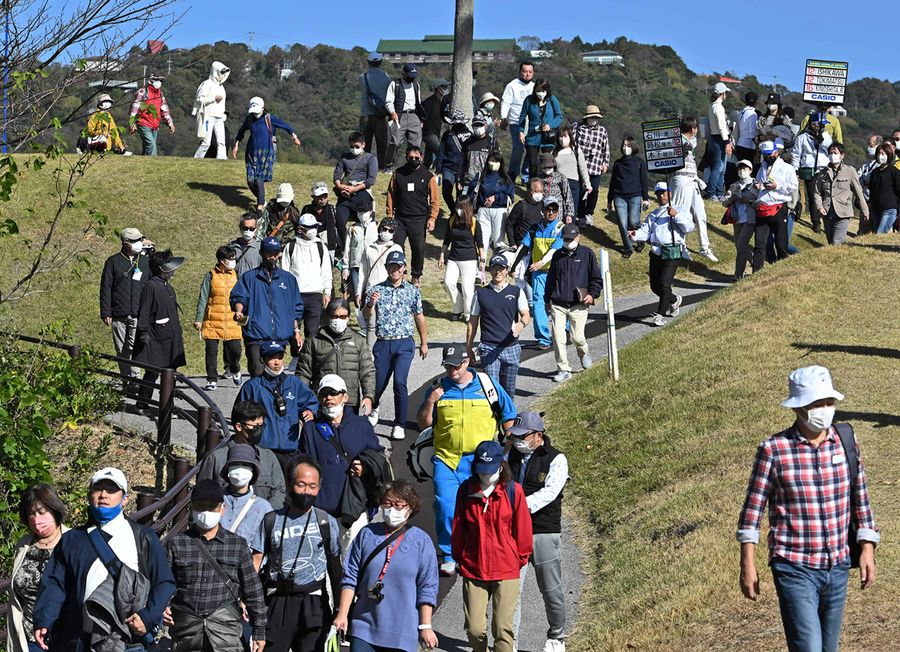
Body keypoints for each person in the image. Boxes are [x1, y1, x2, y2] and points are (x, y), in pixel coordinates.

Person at [737, 366, 879, 652]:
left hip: (837, 566)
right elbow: (752, 511)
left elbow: (860, 497)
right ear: (799, 408)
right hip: (794, 567)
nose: (825, 410)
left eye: (829, 403)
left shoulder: (845, 442)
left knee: (829, 648)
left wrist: (867, 547)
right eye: (817, 404)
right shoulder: (774, 450)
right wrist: (747, 564)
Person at [33, 468, 176, 651]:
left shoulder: (143, 537)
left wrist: (147, 618)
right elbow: (54, 583)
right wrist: (45, 620)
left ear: (124, 499)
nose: (103, 495)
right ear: (89, 496)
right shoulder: (72, 539)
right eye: (98, 489)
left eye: (111, 490)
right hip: (79, 639)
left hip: (127, 639)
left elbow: (164, 582)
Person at [417, 347, 517, 575]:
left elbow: (508, 413)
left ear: (467, 361)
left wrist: (510, 447)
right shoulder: (438, 389)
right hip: (446, 459)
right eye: (448, 366)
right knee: (445, 506)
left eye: (456, 365)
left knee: (480, 509)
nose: (452, 370)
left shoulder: (487, 385)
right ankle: (450, 554)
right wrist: (431, 402)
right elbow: (424, 424)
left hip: (481, 460)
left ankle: (475, 551)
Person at [332, 481, 440, 652]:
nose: (392, 509)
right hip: (364, 627)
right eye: (388, 503)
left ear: (410, 507)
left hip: (403, 631)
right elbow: (350, 577)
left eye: (398, 505)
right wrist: (342, 614)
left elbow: (427, 587)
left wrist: (425, 625)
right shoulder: (367, 534)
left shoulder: (422, 541)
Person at [250, 455, 342, 652]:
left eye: (312, 486)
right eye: (301, 484)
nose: (307, 491)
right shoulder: (271, 520)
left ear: (319, 488)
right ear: (290, 484)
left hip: (314, 602)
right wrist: (247, 599)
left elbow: (335, 567)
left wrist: (341, 610)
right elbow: (256, 562)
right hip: (278, 600)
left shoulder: (326, 522)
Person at [163, 479, 267, 652]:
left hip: (226, 633)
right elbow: (162, 583)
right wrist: (162, 607)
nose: (205, 511)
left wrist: (259, 631)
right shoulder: (176, 543)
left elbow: (253, 589)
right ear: (192, 508)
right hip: (186, 633)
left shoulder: (237, 545)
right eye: (200, 505)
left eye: (211, 506)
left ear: (222, 509)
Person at [451, 440, 532, 652]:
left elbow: (523, 529)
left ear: (501, 465)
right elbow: (459, 526)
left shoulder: (514, 492)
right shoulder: (465, 491)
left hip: (506, 568)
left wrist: (520, 558)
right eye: (481, 469)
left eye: (490, 469)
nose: (486, 474)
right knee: (474, 628)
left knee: (502, 629)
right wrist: (459, 557)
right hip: (474, 567)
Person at [300, 374, 386, 551]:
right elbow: (301, 464)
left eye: (334, 393)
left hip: (355, 508)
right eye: (324, 394)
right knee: (324, 568)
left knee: (352, 565)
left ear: (345, 397)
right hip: (321, 511)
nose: (329, 398)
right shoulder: (310, 429)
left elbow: (379, 458)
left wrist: (366, 467)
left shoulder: (362, 425)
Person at [507, 412, 570, 652]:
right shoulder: (510, 454)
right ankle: (508, 641)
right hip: (515, 531)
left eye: (524, 437)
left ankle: (557, 636)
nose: (518, 441)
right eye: (515, 437)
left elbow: (549, 493)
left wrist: (517, 507)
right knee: (512, 590)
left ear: (539, 436)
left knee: (550, 588)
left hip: (544, 530)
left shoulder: (556, 459)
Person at [365, 251, 428, 441]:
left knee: (400, 383)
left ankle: (399, 424)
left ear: (404, 269)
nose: (394, 270)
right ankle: (373, 408)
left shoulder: (412, 291)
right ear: (386, 268)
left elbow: (419, 316)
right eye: (391, 266)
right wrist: (370, 304)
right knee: (378, 384)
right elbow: (367, 316)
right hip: (383, 343)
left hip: (404, 342)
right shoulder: (376, 290)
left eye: (397, 266)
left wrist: (424, 342)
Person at [237, 341, 319, 473]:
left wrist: (310, 411)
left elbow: (311, 401)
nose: (277, 362)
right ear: (263, 359)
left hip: (289, 451)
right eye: (272, 358)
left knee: (287, 490)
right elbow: (239, 415)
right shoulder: (252, 387)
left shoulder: (294, 383)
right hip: (263, 451)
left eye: (280, 357)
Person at [230, 237, 304, 377]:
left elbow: (296, 307)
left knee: (275, 374)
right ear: (261, 253)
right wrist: (239, 311)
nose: (272, 256)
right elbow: (239, 297)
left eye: (275, 253)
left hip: (280, 335)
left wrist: (296, 330)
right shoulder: (249, 277)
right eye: (269, 253)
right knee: (257, 372)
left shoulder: (288, 279)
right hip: (255, 334)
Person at [8, 485, 68, 652]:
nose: (36, 519)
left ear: (55, 510)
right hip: (28, 639)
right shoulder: (24, 545)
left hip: (65, 637)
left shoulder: (73, 543)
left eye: (42, 512)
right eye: (31, 514)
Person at [198, 399, 287, 509]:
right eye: (255, 427)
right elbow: (201, 496)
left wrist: (263, 512)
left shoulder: (268, 457)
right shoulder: (215, 458)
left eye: (261, 426)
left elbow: (279, 491)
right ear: (239, 427)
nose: (259, 431)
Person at [296, 297, 376, 416]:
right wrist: (304, 402)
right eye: (335, 316)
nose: (338, 320)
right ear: (328, 316)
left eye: (343, 316)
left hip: (349, 402)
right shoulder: (314, 341)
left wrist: (368, 396)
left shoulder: (359, 341)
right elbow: (303, 374)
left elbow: (367, 372)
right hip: (323, 401)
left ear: (348, 317)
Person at [466, 254, 531, 399]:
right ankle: (494, 421)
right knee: (492, 391)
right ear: (490, 270)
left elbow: (526, 314)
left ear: (507, 270)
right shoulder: (481, 293)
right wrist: (468, 347)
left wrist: (521, 324)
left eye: (501, 268)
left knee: (508, 391)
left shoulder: (516, 292)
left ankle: (509, 420)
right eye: (494, 268)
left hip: (511, 347)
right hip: (489, 348)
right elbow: (473, 321)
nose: (498, 272)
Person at [630, 182, 694, 327]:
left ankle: (660, 314)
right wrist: (635, 235)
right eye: (659, 193)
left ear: (670, 194)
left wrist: (676, 216)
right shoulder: (654, 214)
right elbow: (645, 231)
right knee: (655, 286)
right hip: (656, 251)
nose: (661, 196)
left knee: (665, 284)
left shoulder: (680, 209)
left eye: (664, 193)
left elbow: (689, 228)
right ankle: (673, 300)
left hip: (672, 250)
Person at [544, 224, 602, 382]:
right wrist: (546, 299)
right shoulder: (557, 255)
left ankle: (584, 353)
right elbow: (550, 280)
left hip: (579, 304)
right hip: (558, 303)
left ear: (578, 237)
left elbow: (596, 279)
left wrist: (592, 295)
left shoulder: (587, 254)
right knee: (557, 337)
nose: (568, 241)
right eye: (565, 239)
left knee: (576, 338)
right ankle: (563, 368)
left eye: (571, 238)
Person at [132, 250, 186, 409]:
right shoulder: (150, 286)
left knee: (171, 375)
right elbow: (144, 312)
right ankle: (142, 403)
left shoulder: (168, 287)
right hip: (156, 338)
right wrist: (143, 333)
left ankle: (168, 406)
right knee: (152, 373)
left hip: (171, 337)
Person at [511, 196, 564, 349]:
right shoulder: (534, 228)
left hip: (556, 271)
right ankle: (543, 338)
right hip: (539, 272)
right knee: (538, 303)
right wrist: (513, 266)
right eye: (549, 209)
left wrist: (540, 263)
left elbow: (554, 251)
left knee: (559, 301)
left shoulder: (560, 228)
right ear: (543, 210)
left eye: (554, 209)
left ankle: (565, 328)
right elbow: (524, 248)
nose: (551, 212)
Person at [232, 97, 301, 211]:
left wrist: (294, 137)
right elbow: (242, 131)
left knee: (259, 178)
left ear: (262, 108)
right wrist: (237, 144)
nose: (255, 113)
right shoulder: (249, 119)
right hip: (251, 153)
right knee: (250, 181)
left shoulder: (269, 118)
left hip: (265, 153)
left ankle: (260, 205)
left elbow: (285, 126)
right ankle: (262, 200)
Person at [100, 227, 151, 381]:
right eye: (135, 241)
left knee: (134, 347)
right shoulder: (112, 262)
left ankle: (135, 378)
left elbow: (150, 287)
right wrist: (106, 312)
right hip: (118, 313)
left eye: (140, 240)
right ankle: (125, 378)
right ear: (126, 243)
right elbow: (105, 287)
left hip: (138, 312)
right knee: (121, 349)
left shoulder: (145, 262)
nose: (139, 243)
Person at [385, 145, 440, 286]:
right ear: (406, 157)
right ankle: (400, 272)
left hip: (419, 219)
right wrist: (389, 214)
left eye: (416, 158)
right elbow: (391, 194)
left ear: (421, 157)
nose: (414, 160)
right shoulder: (398, 174)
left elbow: (434, 200)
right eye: (411, 158)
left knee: (418, 249)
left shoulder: (428, 176)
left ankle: (416, 276)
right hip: (400, 219)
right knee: (396, 246)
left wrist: (432, 218)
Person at [194, 245, 243, 391]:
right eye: (231, 258)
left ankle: (235, 368)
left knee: (236, 350)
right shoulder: (210, 275)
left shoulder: (237, 275)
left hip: (232, 319)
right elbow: (203, 298)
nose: (233, 261)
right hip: (212, 319)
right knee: (211, 351)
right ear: (222, 260)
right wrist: (199, 318)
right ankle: (212, 379)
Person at [671, 116, 719, 262]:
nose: (697, 130)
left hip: (693, 180)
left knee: (701, 214)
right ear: (692, 128)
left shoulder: (691, 141)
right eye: (696, 127)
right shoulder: (677, 141)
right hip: (681, 179)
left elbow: (692, 144)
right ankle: (680, 246)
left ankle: (704, 247)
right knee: (681, 214)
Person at [281, 213, 332, 338]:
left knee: (312, 331)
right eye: (310, 227)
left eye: (315, 227)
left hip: (315, 295)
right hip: (295, 295)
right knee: (293, 329)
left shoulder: (321, 247)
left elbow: (326, 271)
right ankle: (295, 356)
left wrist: (327, 292)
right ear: (301, 229)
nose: (313, 230)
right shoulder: (291, 246)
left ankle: (310, 357)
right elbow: (285, 272)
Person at [357, 218, 403, 348]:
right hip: (372, 289)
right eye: (384, 229)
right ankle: (369, 354)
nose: (386, 232)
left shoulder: (396, 248)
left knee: (388, 323)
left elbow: (400, 270)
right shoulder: (369, 247)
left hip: (389, 290)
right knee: (371, 325)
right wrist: (359, 291)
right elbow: (363, 271)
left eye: (390, 230)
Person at [812, 142, 869, 245]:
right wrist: (820, 207)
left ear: (842, 155)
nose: (832, 155)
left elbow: (858, 192)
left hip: (843, 213)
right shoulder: (822, 173)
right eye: (830, 153)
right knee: (831, 243)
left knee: (836, 241)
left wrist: (865, 210)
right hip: (827, 212)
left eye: (835, 152)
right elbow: (817, 192)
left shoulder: (850, 171)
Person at [752, 140, 797, 270]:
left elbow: (793, 186)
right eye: (764, 155)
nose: (767, 158)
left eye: (769, 154)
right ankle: (757, 271)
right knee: (760, 244)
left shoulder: (787, 168)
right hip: (763, 207)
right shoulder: (762, 168)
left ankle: (782, 271)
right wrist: (758, 186)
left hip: (779, 206)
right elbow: (759, 185)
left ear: (776, 153)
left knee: (781, 243)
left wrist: (778, 186)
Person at [219, 443, 275, 545]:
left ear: (253, 472)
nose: (240, 470)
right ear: (227, 469)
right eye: (235, 465)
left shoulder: (263, 507)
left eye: (245, 465)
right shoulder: (215, 499)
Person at [334, 131, 379, 257]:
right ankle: (342, 249)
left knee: (366, 224)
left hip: (362, 193)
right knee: (339, 220)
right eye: (352, 146)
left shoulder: (370, 159)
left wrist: (355, 189)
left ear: (363, 145)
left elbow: (371, 180)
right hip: (345, 193)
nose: (354, 149)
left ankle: (366, 249)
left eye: (357, 146)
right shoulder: (344, 158)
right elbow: (337, 176)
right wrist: (341, 186)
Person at [440, 197, 484, 322]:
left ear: (467, 208)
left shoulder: (475, 222)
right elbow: (447, 239)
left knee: (467, 289)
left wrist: (482, 260)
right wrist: (442, 254)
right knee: (448, 283)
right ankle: (457, 307)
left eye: (461, 207)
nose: (458, 210)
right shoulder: (452, 220)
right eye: (457, 207)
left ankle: (468, 314)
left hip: (469, 259)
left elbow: (480, 244)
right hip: (454, 257)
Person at [608, 136, 650, 257]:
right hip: (619, 197)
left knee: (634, 221)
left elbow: (644, 181)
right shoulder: (618, 163)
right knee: (622, 223)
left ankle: (640, 239)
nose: (626, 148)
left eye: (628, 145)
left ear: (633, 147)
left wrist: (646, 198)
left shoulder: (639, 163)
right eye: (624, 145)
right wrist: (609, 200)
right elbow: (612, 182)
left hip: (635, 196)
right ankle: (628, 248)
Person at [791, 112, 832, 233]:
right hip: (809, 169)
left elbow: (830, 149)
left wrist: (822, 141)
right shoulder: (802, 137)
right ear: (813, 124)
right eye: (819, 125)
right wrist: (795, 168)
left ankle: (827, 219)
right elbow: (796, 154)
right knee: (813, 196)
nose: (821, 127)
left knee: (826, 195)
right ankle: (816, 222)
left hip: (823, 168)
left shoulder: (826, 136)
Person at [468, 149, 515, 254]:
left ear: (501, 163)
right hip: (483, 211)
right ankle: (481, 266)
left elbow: (510, 198)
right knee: (482, 241)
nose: (493, 163)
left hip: (500, 212)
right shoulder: (481, 176)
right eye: (491, 160)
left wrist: (496, 197)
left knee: (498, 242)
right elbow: (471, 194)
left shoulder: (505, 178)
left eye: (496, 161)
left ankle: (497, 266)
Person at [571, 105, 610, 225]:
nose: (594, 119)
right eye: (591, 117)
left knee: (594, 191)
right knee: (581, 191)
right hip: (581, 166)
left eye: (596, 117)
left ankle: (589, 213)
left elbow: (606, 148)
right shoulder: (577, 127)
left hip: (596, 166)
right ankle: (581, 214)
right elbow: (572, 144)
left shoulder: (602, 130)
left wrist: (606, 163)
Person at [518, 78, 562, 182]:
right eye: (538, 90)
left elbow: (559, 117)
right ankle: (532, 187)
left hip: (548, 137)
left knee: (547, 163)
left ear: (547, 90)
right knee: (533, 163)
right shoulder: (529, 100)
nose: (540, 93)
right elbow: (522, 118)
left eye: (543, 91)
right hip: (533, 137)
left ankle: (548, 185)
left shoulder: (552, 100)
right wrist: (521, 131)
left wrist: (550, 125)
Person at [385, 63, 426, 168]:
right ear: (403, 73)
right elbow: (388, 101)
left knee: (416, 143)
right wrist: (392, 112)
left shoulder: (416, 86)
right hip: (399, 116)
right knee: (395, 142)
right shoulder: (395, 84)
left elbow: (418, 103)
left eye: (413, 76)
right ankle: (389, 165)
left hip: (413, 115)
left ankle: (414, 165)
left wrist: (421, 119)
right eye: (409, 76)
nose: (411, 78)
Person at [500, 61, 535, 183]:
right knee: (518, 149)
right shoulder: (512, 85)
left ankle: (526, 176)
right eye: (525, 71)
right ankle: (512, 173)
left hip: (531, 123)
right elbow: (506, 102)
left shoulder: (535, 87)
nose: (527, 74)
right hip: (516, 122)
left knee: (531, 149)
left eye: (530, 72)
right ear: (520, 72)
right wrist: (504, 118)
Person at [721, 160, 757, 279]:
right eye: (740, 169)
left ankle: (739, 273)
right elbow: (724, 203)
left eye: (745, 169)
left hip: (750, 219)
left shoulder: (755, 184)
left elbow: (760, 201)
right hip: (737, 219)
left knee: (741, 244)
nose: (742, 171)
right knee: (739, 245)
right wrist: (732, 199)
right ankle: (754, 266)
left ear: (750, 170)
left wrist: (749, 201)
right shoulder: (734, 185)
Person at [128, 73, 174, 156]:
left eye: (160, 80)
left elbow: (164, 110)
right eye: (157, 80)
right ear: (150, 81)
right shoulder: (142, 92)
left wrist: (170, 123)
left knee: (147, 147)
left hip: (155, 125)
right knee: (151, 146)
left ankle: (143, 165)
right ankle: (153, 164)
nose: (159, 82)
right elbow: (134, 109)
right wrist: (132, 124)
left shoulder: (160, 94)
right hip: (143, 123)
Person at [359, 51, 391, 170]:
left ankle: (364, 166)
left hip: (365, 115)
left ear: (368, 62)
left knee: (365, 143)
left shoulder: (363, 77)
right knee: (381, 144)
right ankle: (382, 166)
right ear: (380, 62)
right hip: (380, 116)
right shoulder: (386, 78)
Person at [435, 109, 471, 213]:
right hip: (448, 168)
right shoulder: (447, 135)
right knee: (446, 191)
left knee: (460, 194)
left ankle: (457, 213)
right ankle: (453, 210)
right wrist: (438, 168)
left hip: (462, 169)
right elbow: (441, 151)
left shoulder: (469, 135)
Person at [193, 61, 230, 159]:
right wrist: (213, 99)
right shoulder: (206, 84)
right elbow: (199, 99)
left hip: (219, 117)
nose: (223, 75)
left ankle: (222, 158)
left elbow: (222, 103)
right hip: (208, 116)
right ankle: (198, 158)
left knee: (221, 141)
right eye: (221, 72)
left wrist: (223, 114)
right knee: (206, 142)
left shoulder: (221, 87)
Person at [554, 124, 591, 221]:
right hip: (558, 184)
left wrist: (587, 183)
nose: (562, 139)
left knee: (571, 212)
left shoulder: (576, 150)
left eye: (565, 136)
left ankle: (570, 233)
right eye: (560, 136)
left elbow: (583, 168)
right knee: (558, 211)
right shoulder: (554, 152)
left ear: (570, 137)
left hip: (573, 184)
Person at [342, 208, 378, 305]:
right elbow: (347, 248)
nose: (362, 215)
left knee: (371, 296)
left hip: (372, 266)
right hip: (356, 266)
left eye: (364, 211)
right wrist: (345, 267)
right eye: (359, 212)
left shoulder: (377, 226)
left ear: (370, 212)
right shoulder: (352, 228)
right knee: (357, 298)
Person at [705, 82, 733, 200]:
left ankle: (719, 192)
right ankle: (712, 192)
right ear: (722, 94)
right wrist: (727, 142)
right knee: (719, 167)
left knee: (721, 167)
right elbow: (722, 126)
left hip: (715, 137)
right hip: (720, 138)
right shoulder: (718, 107)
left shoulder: (712, 106)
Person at [867, 143, 900, 234]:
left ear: (889, 155)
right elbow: (871, 189)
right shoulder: (874, 172)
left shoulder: (894, 171)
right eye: (878, 154)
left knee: (880, 233)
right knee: (876, 233)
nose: (880, 156)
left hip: (890, 208)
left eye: (883, 154)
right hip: (876, 209)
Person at [300, 182, 340, 257]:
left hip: (329, 246)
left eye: (325, 196)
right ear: (314, 197)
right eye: (320, 197)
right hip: (309, 244)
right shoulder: (307, 209)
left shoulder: (333, 209)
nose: (323, 199)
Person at [534, 153, 575, 224]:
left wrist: (569, 214)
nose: (547, 169)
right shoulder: (538, 178)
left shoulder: (561, 178)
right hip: (542, 210)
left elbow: (568, 196)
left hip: (557, 211)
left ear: (554, 166)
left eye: (549, 167)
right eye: (544, 168)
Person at [506, 179, 545, 247]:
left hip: (538, 245)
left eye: (541, 191)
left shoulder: (543, 205)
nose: (539, 193)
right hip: (522, 244)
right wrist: (512, 243)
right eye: (536, 191)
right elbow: (509, 224)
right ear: (529, 191)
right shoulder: (521, 205)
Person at [460, 114, 494, 193]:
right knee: (465, 204)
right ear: (472, 126)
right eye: (476, 125)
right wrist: (459, 179)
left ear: (485, 126)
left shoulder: (492, 142)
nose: (478, 127)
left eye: (480, 125)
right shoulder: (467, 143)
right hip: (468, 182)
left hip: (486, 182)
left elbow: (497, 164)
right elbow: (462, 163)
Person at [422, 78, 450, 169]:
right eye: (444, 86)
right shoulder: (428, 102)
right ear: (438, 88)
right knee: (440, 152)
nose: (446, 88)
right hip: (429, 133)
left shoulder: (444, 102)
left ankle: (425, 170)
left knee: (428, 157)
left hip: (437, 133)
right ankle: (439, 169)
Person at [734, 91, 759, 165]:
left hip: (740, 143)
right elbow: (752, 133)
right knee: (747, 171)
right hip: (748, 146)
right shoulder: (752, 114)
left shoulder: (741, 112)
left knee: (740, 169)